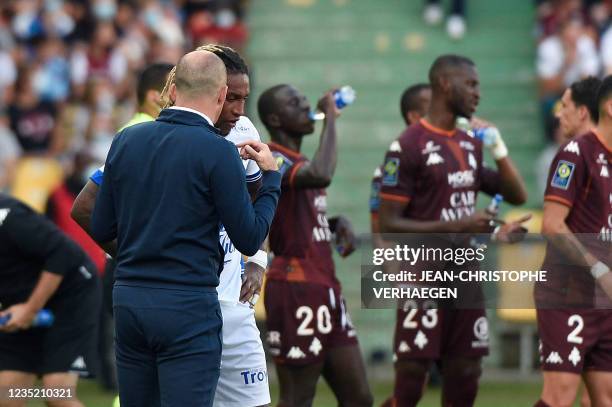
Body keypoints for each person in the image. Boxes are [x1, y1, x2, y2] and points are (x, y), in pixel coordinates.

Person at [74, 46, 271, 406]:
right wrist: (272, 178)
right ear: (221, 93)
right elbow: (249, 235)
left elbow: (99, 223)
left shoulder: (127, 138)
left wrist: (138, 256)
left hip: (131, 299)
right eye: (234, 98)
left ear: (174, 88)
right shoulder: (218, 149)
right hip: (188, 301)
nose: (238, 108)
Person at [377, 54, 529, 407]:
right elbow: (389, 222)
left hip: (464, 274)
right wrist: (457, 224)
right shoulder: (407, 145)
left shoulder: (469, 142)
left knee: (466, 370)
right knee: (414, 372)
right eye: (471, 84)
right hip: (422, 274)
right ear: (446, 84)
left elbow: (517, 195)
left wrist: (498, 147)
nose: (478, 93)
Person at [258, 84, 373, 407]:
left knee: (360, 398)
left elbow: (297, 214)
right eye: (295, 103)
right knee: (298, 397)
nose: (306, 106)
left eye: (305, 101)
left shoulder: (300, 159)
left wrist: (332, 223)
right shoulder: (272, 158)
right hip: (295, 287)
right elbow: (321, 174)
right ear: (275, 119)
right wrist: (331, 119)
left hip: (325, 287)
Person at [534, 75, 612, 407]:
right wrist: (599, 270)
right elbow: (551, 225)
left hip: (606, 298)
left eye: (563, 106)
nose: (558, 113)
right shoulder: (576, 152)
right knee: (560, 396)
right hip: (569, 292)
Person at [0, 193, 100, 407]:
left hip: (71, 296)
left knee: (56, 394)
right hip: (21, 302)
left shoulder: (8, 214)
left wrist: (30, 309)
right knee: (7, 397)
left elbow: (61, 254)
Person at [536, 77, 601, 197]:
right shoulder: (566, 157)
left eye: (565, 106)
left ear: (582, 112)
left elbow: (554, 214)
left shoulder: (569, 156)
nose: (559, 114)